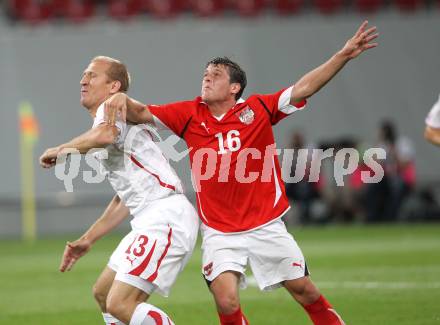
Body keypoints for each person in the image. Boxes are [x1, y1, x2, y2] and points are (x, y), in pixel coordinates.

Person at [104, 21, 379, 325]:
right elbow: (141, 113)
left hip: (265, 223)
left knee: (305, 292)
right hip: (220, 230)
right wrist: (117, 99)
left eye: (216, 75)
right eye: (205, 75)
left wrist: (342, 55)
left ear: (234, 87)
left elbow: (304, 88)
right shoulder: (190, 113)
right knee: (226, 299)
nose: (206, 80)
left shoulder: (258, 109)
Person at [39, 56, 199, 325]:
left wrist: (60, 150)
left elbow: (105, 135)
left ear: (113, 86)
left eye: (92, 75)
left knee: (120, 303)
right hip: (151, 216)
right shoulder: (110, 119)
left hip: (165, 216)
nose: (83, 80)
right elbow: (124, 199)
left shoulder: (111, 110)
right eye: (83, 75)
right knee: (103, 294)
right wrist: (88, 239)